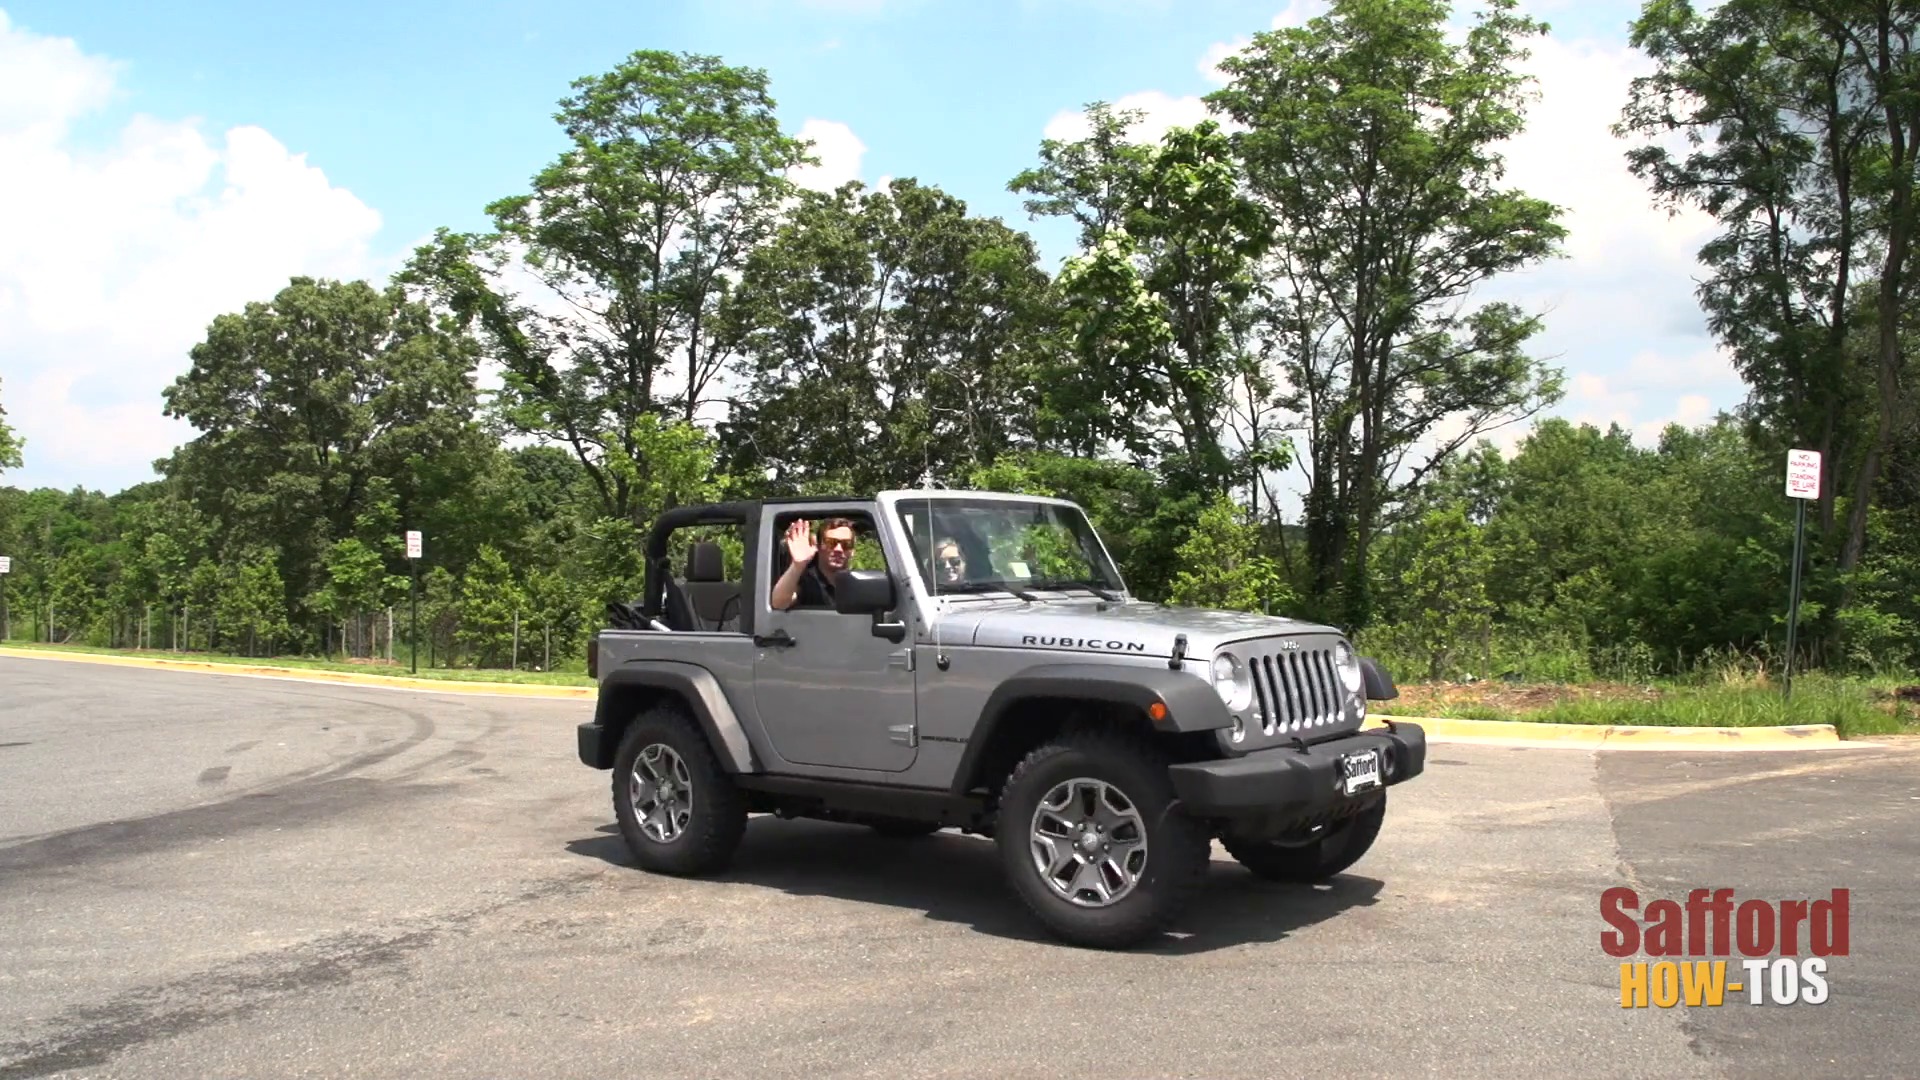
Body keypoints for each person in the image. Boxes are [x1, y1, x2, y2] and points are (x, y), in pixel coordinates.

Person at [770, 516, 857, 610]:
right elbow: (778, 603)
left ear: (852, 551)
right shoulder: (807, 582)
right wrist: (797, 565)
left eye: (846, 544)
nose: (838, 549)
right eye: (830, 542)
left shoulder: (856, 585)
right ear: (818, 546)